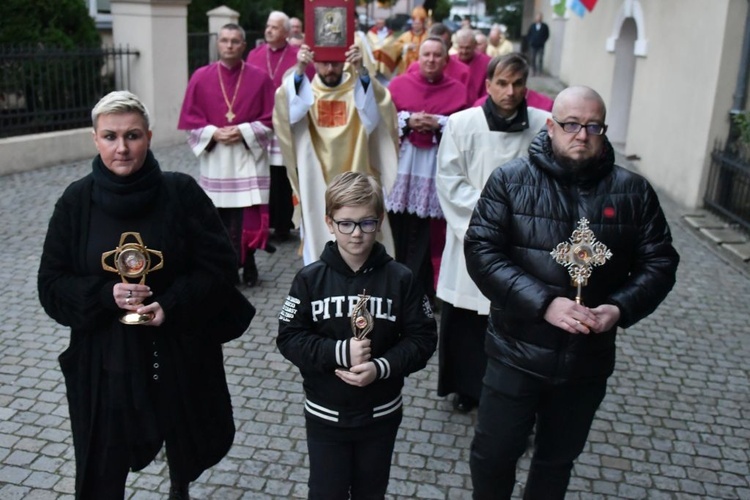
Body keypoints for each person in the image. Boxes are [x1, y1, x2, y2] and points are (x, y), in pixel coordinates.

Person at [37, 91, 256, 499]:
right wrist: (105, 296)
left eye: (133, 135)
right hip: (105, 360)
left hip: (175, 352)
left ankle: (179, 488)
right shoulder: (75, 202)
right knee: (102, 470)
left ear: (150, 136)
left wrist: (170, 304)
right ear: (95, 139)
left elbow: (220, 268)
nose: (122, 147)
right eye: (110, 136)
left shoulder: (181, 193)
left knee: (184, 452)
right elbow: (50, 284)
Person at [464, 85, 679, 498]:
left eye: (593, 126)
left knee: (556, 461)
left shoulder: (633, 191)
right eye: (571, 124)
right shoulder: (510, 181)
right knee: (493, 453)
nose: (582, 134)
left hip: (586, 359)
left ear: (603, 130)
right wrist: (543, 302)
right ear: (551, 126)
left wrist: (618, 308)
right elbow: (482, 252)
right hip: (517, 351)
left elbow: (660, 263)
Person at [277, 171, 437, 500]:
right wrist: (338, 353)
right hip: (325, 414)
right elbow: (289, 338)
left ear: (379, 221)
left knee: (371, 491)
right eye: (346, 223)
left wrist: (382, 367)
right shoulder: (309, 280)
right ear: (329, 222)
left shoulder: (401, 278)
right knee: (326, 491)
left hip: (381, 413)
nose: (356, 234)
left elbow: (423, 339)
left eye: (366, 223)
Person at [436, 53, 550, 413]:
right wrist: (493, 217)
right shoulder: (461, 124)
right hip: (474, 236)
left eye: (517, 83)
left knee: (514, 318)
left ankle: (514, 392)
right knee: (468, 320)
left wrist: (522, 221)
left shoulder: (542, 126)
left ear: (526, 85)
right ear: (487, 85)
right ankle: (466, 388)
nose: (510, 91)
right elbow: (449, 182)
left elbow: (548, 181)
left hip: (522, 240)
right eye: (502, 83)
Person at [273, 42, 399, 265]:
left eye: (335, 62)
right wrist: (299, 71)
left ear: (344, 62)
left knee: (358, 236)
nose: (330, 68)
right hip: (316, 183)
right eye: (323, 63)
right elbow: (287, 115)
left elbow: (375, 117)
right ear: (315, 62)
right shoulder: (304, 93)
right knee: (317, 235)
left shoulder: (358, 92)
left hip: (356, 175)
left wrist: (362, 71)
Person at [178, 23, 275, 286]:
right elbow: (190, 120)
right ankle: (226, 266)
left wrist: (243, 131)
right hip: (217, 160)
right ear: (217, 43)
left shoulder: (260, 78)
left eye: (235, 41)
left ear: (243, 46)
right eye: (224, 40)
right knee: (218, 219)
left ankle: (250, 261)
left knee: (248, 220)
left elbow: (271, 120)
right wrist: (213, 133)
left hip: (247, 160)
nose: (229, 45)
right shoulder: (200, 76)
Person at [386, 36, 469, 301]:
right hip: (403, 166)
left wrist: (439, 124)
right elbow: (384, 120)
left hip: (435, 165)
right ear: (417, 58)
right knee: (398, 225)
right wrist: (407, 120)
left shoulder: (458, 89)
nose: (431, 60)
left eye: (437, 55)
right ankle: (391, 283)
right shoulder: (399, 84)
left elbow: (464, 127)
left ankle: (421, 290)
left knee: (427, 232)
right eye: (426, 55)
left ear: (446, 60)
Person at [247, 12, 314, 243]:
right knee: (263, 174)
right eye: (268, 26)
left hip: (288, 125)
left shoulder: (298, 57)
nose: (269, 30)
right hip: (262, 123)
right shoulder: (255, 55)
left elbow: (308, 88)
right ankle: (265, 223)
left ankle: (284, 224)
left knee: (284, 176)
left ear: (286, 32)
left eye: (275, 27)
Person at [452, 28, 492, 102]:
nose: (464, 51)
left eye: (468, 48)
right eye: (461, 47)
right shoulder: (449, 61)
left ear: (475, 46)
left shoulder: (488, 62)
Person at [394, 6, 428, 74]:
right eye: (414, 23)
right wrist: (406, 46)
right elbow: (395, 47)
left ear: (422, 24)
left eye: (418, 24)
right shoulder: (405, 35)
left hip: (422, 67)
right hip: (405, 68)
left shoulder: (428, 36)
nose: (416, 25)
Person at [366, 17, 400, 85]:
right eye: (378, 23)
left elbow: (392, 45)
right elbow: (368, 45)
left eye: (381, 23)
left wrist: (383, 49)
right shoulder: (370, 33)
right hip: (374, 60)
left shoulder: (389, 34)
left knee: (385, 84)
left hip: (386, 61)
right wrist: (378, 49)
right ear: (375, 23)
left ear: (384, 24)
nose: (379, 25)